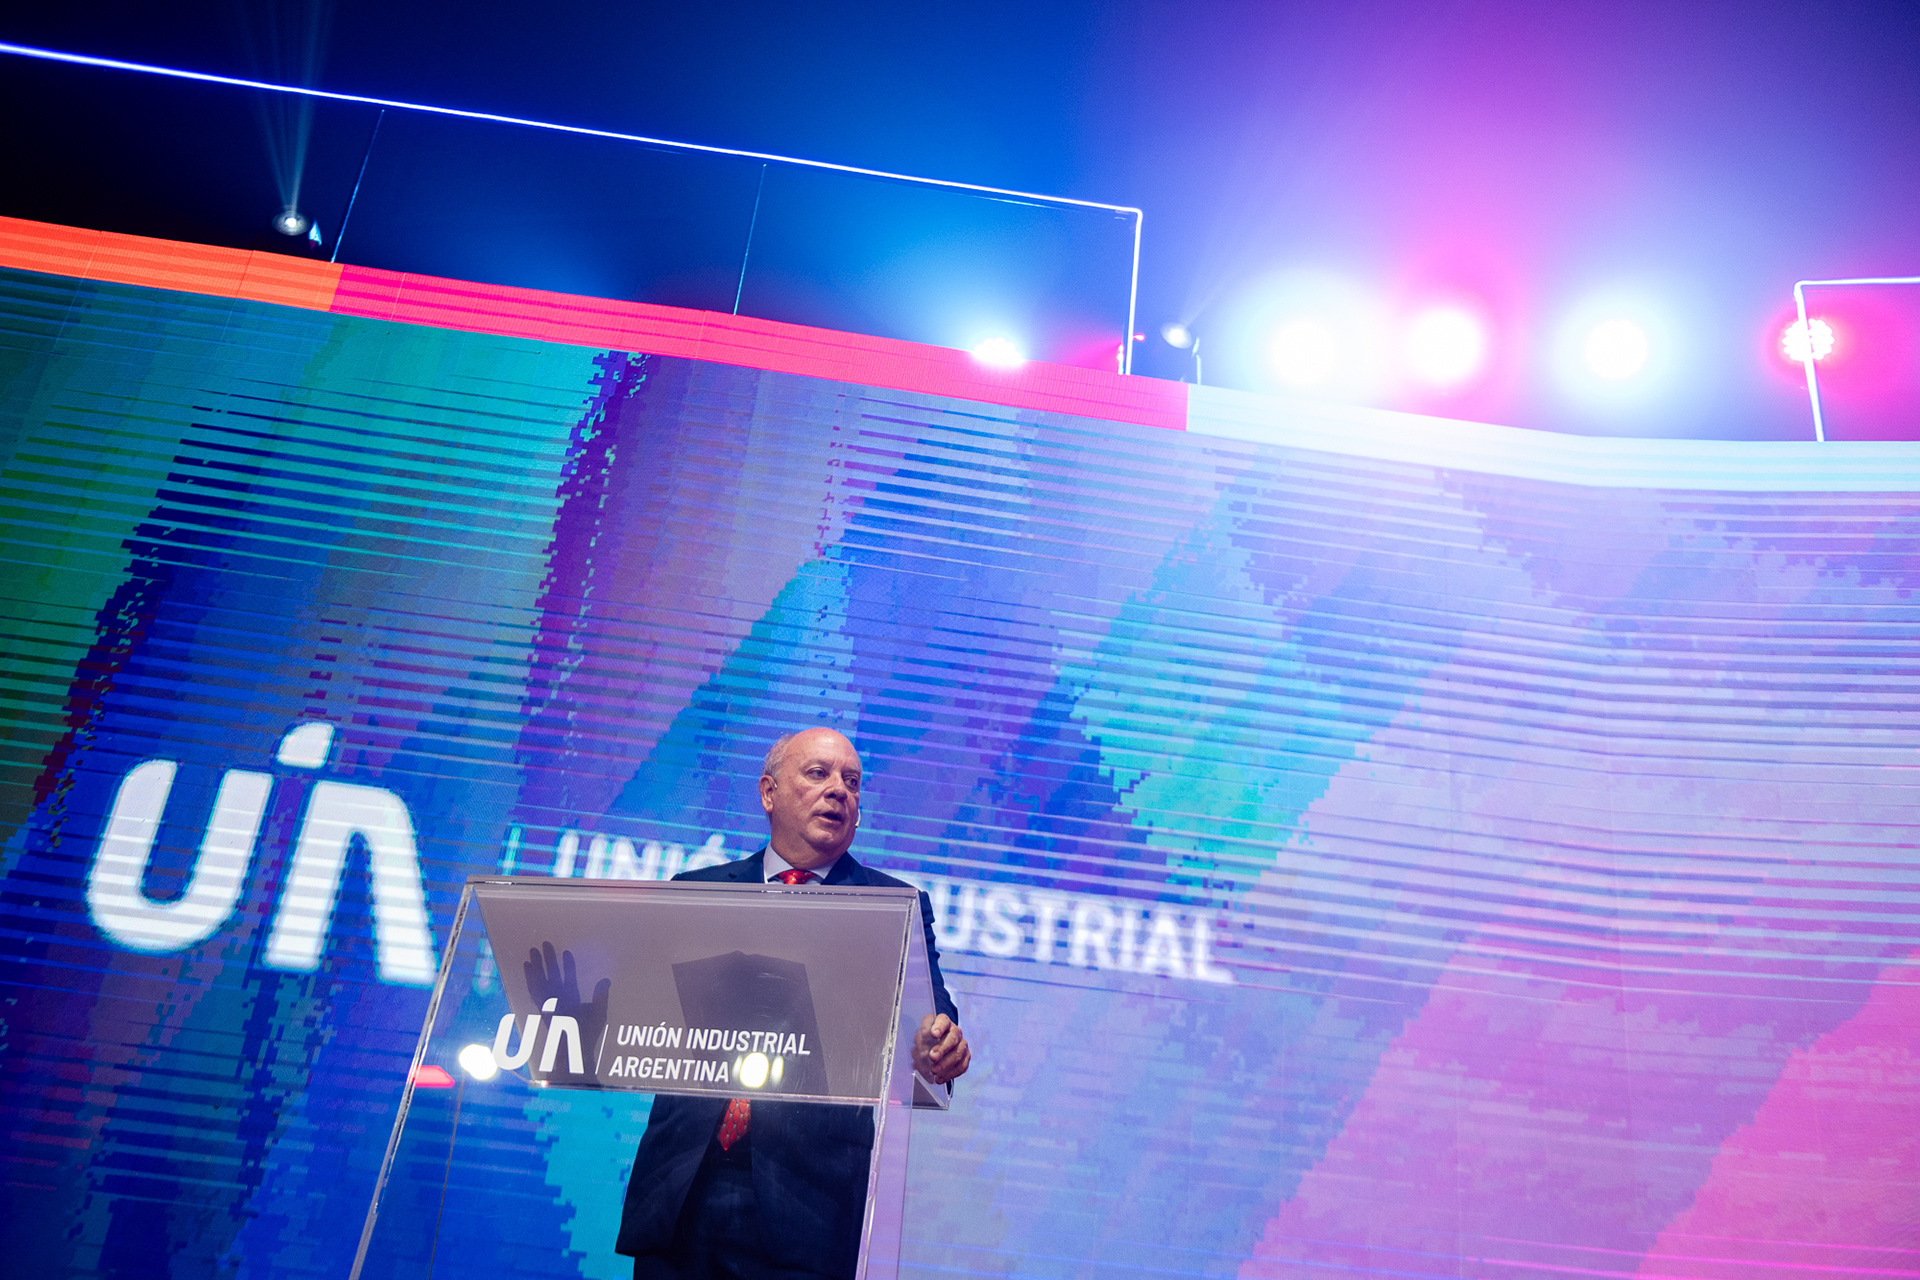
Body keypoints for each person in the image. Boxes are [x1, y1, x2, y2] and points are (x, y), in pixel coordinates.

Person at [616, 727, 971, 1280]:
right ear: (769, 792)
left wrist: (937, 1045)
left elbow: (933, 1023)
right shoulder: (699, 890)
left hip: (808, 1204)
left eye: (852, 782)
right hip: (681, 1191)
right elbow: (643, 1013)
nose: (839, 791)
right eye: (818, 774)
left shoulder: (892, 906)